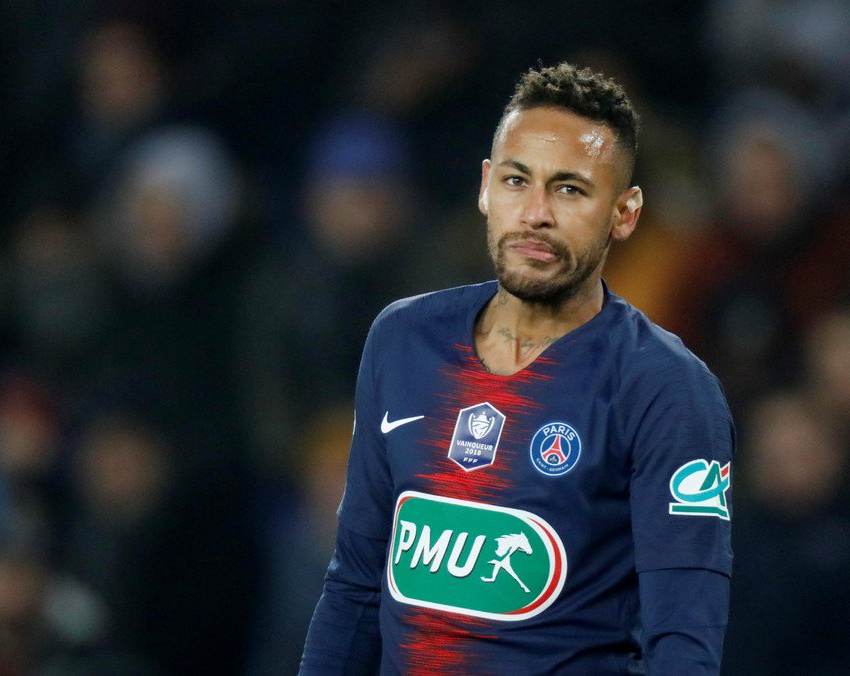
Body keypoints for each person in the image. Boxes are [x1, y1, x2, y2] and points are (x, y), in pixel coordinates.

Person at [300, 63, 734, 675]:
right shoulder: (402, 340)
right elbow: (356, 586)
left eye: (570, 189)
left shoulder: (665, 387)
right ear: (485, 187)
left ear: (625, 212)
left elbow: (683, 644)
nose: (534, 213)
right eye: (515, 180)